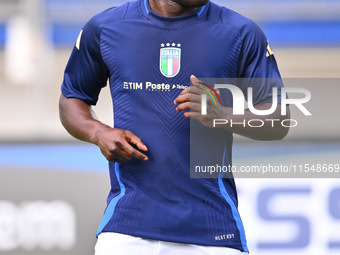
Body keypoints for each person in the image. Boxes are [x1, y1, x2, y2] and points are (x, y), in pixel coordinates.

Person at [59, 0, 290, 254]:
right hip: (127, 229)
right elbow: (72, 97)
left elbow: (279, 118)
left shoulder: (240, 32)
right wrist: (98, 132)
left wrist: (221, 114)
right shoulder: (106, 27)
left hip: (213, 231)